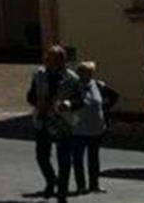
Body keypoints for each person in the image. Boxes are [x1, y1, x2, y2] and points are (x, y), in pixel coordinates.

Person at [27, 45, 82, 203]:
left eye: (56, 59)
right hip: (43, 119)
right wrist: (37, 102)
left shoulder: (72, 78)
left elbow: (80, 100)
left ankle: (62, 194)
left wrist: (69, 104)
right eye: (49, 58)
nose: (51, 62)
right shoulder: (39, 75)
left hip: (63, 121)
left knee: (64, 159)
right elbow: (30, 95)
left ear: (62, 60)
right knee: (41, 157)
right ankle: (51, 180)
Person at [72, 61, 120, 195]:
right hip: (78, 129)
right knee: (78, 159)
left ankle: (94, 185)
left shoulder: (98, 85)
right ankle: (81, 186)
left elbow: (114, 96)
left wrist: (104, 110)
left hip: (96, 128)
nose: (87, 75)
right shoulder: (74, 87)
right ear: (79, 73)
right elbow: (66, 104)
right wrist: (71, 120)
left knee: (94, 159)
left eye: (90, 72)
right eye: (84, 72)